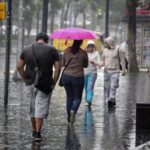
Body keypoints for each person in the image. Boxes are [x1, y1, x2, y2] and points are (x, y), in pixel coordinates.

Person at [17, 32, 61, 142]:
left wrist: (25, 78)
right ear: (46, 40)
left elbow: (19, 67)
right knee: (40, 107)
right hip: (45, 83)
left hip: (30, 82)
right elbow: (58, 68)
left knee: (32, 107)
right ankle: (37, 133)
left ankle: (33, 130)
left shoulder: (26, 49)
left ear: (37, 39)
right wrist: (54, 82)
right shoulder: (52, 50)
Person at [61, 40, 88, 124]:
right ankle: (73, 110)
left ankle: (69, 117)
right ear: (81, 43)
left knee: (69, 97)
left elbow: (63, 63)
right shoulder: (83, 52)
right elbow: (85, 65)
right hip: (78, 77)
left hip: (66, 76)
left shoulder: (66, 51)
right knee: (77, 97)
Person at [100, 36, 126, 107]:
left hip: (115, 71)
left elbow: (122, 60)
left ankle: (111, 98)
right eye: (104, 43)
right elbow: (102, 59)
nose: (105, 44)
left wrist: (123, 70)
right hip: (106, 71)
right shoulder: (104, 50)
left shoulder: (118, 49)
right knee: (107, 87)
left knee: (113, 86)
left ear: (110, 43)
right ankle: (111, 99)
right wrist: (100, 64)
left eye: (106, 43)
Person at [84, 40, 101, 108]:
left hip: (93, 74)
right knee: (86, 88)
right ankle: (87, 100)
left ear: (94, 47)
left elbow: (99, 63)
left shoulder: (96, 53)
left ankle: (89, 100)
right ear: (87, 47)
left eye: (92, 47)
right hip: (84, 73)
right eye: (89, 47)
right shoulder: (84, 53)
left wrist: (94, 62)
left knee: (90, 87)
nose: (90, 48)